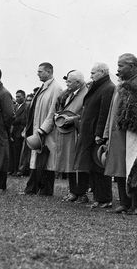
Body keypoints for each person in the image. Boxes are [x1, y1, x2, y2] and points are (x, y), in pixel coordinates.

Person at [104, 54, 137, 215]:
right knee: (119, 168)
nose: (117, 69)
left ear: (133, 66)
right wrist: (106, 133)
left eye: (121, 66)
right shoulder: (120, 86)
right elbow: (112, 111)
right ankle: (124, 203)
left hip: (134, 136)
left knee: (135, 167)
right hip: (117, 135)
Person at [74, 63, 115, 209]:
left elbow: (104, 113)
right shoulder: (97, 87)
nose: (90, 76)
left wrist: (99, 134)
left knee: (100, 167)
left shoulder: (108, 88)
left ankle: (105, 198)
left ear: (102, 72)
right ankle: (98, 198)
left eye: (93, 73)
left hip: (96, 135)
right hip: (88, 133)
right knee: (92, 167)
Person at [22, 62, 63, 196]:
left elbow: (53, 112)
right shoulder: (43, 87)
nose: (38, 74)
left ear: (49, 71)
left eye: (40, 71)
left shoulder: (56, 88)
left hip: (46, 132)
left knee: (46, 161)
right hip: (38, 129)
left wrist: (43, 130)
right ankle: (33, 188)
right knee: (38, 160)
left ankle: (45, 189)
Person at [54, 70, 88, 203]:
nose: (66, 83)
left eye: (69, 81)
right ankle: (73, 191)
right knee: (70, 162)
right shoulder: (70, 94)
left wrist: (73, 118)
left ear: (78, 83)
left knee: (78, 164)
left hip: (77, 133)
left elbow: (86, 114)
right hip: (68, 133)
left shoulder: (85, 93)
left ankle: (81, 193)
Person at [9, 90, 27, 176]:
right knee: (12, 152)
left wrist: (14, 120)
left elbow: (24, 119)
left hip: (19, 132)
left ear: (24, 97)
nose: (17, 98)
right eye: (16, 97)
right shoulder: (14, 107)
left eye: (19, 97)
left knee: (18, 152)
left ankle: (17, 170)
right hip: (13, 132)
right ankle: (12, 169)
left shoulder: (26, 107)